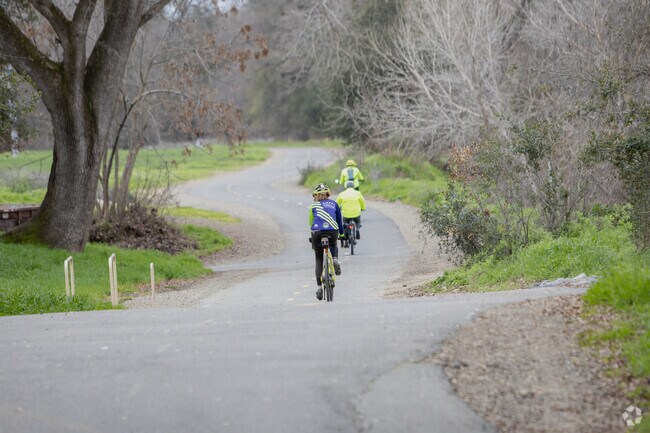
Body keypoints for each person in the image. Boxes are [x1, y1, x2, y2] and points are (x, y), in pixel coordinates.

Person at [309, 183, 343, 300]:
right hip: (332, 231)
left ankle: (319, 288)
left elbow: (311, 223)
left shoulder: (313, 206)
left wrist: (311, 237)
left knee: (319, 258)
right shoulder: (334, 203)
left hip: (317, 232)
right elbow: (339, 220)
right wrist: (342, 234)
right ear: (328, 194)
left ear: (315, 196)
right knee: (333, 243)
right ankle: (334, 259)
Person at [336, 180, 366, 245]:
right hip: (356, 213)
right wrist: (363, 208)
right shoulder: (358, 193)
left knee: (345, 223)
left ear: (346, 187)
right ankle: (357, 229)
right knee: (358, 221)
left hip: (346, 214)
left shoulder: (342, 194)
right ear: (353, 186)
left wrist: (337, 209)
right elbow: (363, 202)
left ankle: (346, 235)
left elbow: (336, 204)